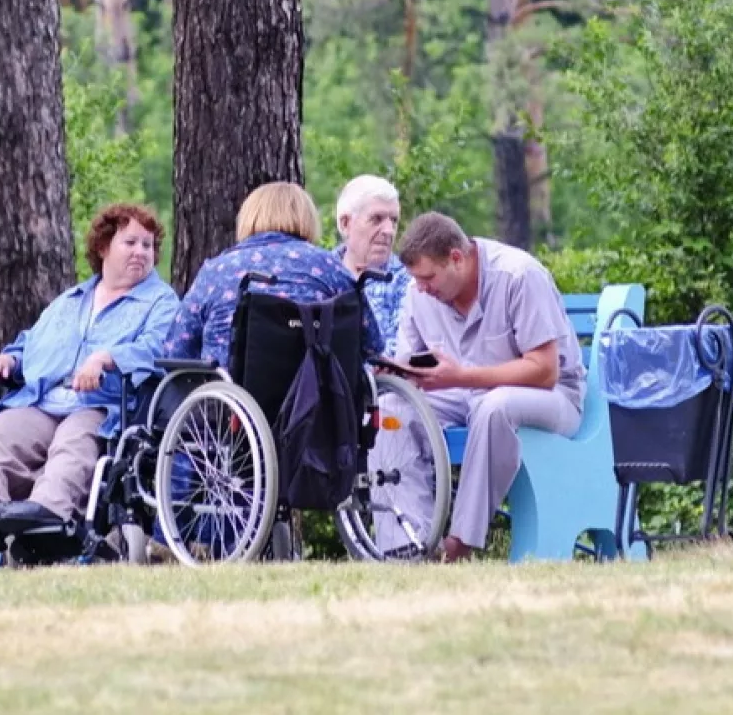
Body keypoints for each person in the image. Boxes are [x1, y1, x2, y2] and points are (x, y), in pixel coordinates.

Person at [375, 212, 585, 562]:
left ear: (456, 258)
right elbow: (411, 364)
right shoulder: (419, 293)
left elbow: (545, 371)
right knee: (389, 412)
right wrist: (400, 372)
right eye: (417, 279)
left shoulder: (518, 275)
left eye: (429, 277)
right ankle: (409, 546)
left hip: (553, 398)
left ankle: (460, 544)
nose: (422, 288)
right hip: (461, 396)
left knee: (494, 406)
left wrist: (461, 377)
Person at [0, 203, 178, 529]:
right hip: (44, 400)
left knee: (73, 441)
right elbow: (33, 341)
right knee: (1, 432)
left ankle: (47, 514)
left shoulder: (161, 301)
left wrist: (107, 358)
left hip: (103, 404)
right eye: (130, 243)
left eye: (147, 245)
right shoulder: (71, 300)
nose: (141, 252)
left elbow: (157, 348)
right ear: (103, 247)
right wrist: (9, 359)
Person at [164, 181, 381, 367]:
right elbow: (371, 344)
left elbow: (176, 350)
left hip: (231, 401)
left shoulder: (217, 271)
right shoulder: (331, 267)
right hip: (317, 396)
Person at [333, 175, 410, 356]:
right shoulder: (320, 273)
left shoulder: (407, 281)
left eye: (394, 220)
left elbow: (397, 356)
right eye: (377, 219)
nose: (389, 231)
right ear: (345, 224)